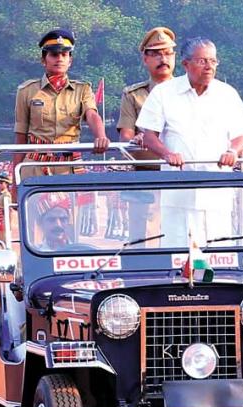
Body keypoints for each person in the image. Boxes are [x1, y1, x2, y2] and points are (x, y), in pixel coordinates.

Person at [136, 37, 243, 246]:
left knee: (219, 253)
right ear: (186, 64)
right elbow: (149, 135)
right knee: (177, 254)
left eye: (213, 61)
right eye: (202, 61)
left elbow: (241, 135)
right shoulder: (164, 93)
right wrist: (167, 154)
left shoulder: (227, 94)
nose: (209, 67)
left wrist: (233, 152)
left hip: (216, 189)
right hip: (178, 190)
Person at [14, 29, 110, 177]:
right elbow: (20, 138)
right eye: (53, 54)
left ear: (70, 61)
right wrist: (15, 183)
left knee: (76, 200)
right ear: (43, 60)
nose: (59, 59)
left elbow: (92, 115)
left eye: (64, 55)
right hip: (35, 166)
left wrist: (101, 136)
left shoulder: (82, 89)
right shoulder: (27, 90)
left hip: (70, 166)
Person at [117, 27, 176, 245]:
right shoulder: (133, 95)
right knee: (141, 240)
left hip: (181, 174)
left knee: (181, 235)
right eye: (157, 53)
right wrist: (136, 139)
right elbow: (126, 137)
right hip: (146, 175)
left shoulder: (187, 91)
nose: (163, 58)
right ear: (145, 58)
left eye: (168, 53)